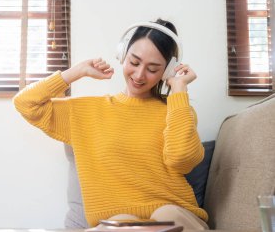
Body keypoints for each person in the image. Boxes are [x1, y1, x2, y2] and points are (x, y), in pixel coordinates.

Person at [13, 18, 209, 230]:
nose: (139, 75)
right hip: (117, 225)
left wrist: (179, 89)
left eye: (153, 69)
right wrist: (76, 72)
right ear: (122, 54)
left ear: (168, 71)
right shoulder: (85, 112)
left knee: (167, 213)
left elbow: (182, 160)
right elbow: (26, 104)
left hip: (177, 220)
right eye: (134, 62)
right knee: (120, 223)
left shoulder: (178, 110)